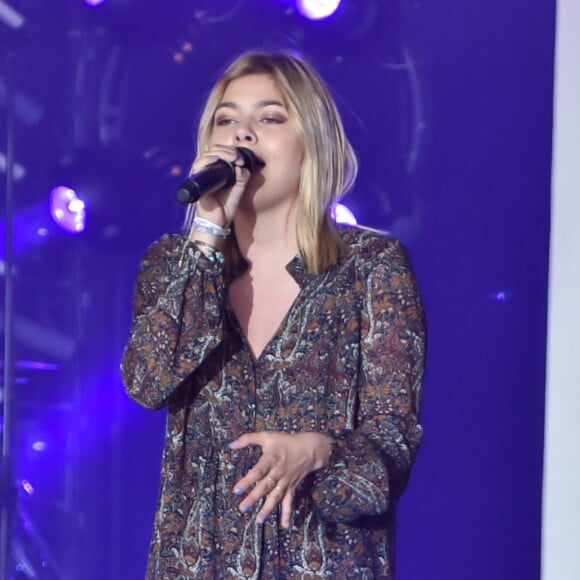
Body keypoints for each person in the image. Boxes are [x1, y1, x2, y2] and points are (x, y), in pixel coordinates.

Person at [121, 50, 426, 579]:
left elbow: (392, 442)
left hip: (324, 558)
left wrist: (320, 451)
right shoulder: (174, 263)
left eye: (269, 118)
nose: (243, 135)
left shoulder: (370, 268)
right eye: (227, 119)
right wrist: (208, 232)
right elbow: (147, 381)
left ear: (311, 141)